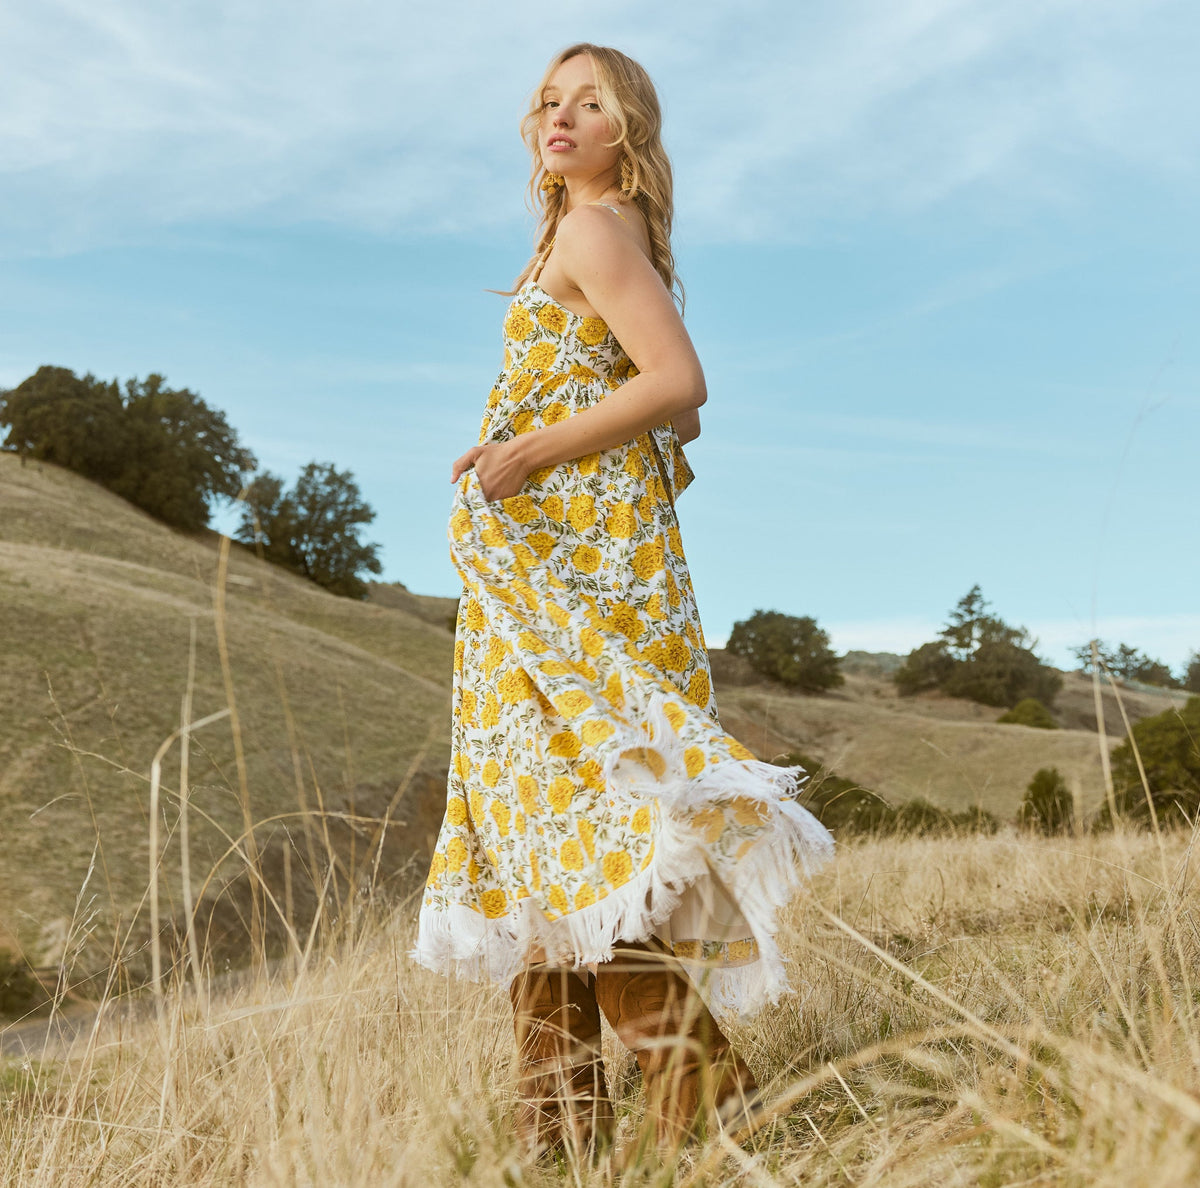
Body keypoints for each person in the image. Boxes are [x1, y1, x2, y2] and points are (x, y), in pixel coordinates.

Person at [411, 42, 833, 1157]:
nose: (560, 115)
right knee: (552, 834)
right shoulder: (590, 235)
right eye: (549, 100)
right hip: (562, 575)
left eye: (588, 102)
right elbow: (660, 411)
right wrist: (528, 439)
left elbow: (680, 385)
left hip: (572, 592)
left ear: (626, 133)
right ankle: (561, 1136)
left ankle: (707, 1115)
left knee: (577, 827)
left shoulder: (597, 227)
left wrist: (531, 450)